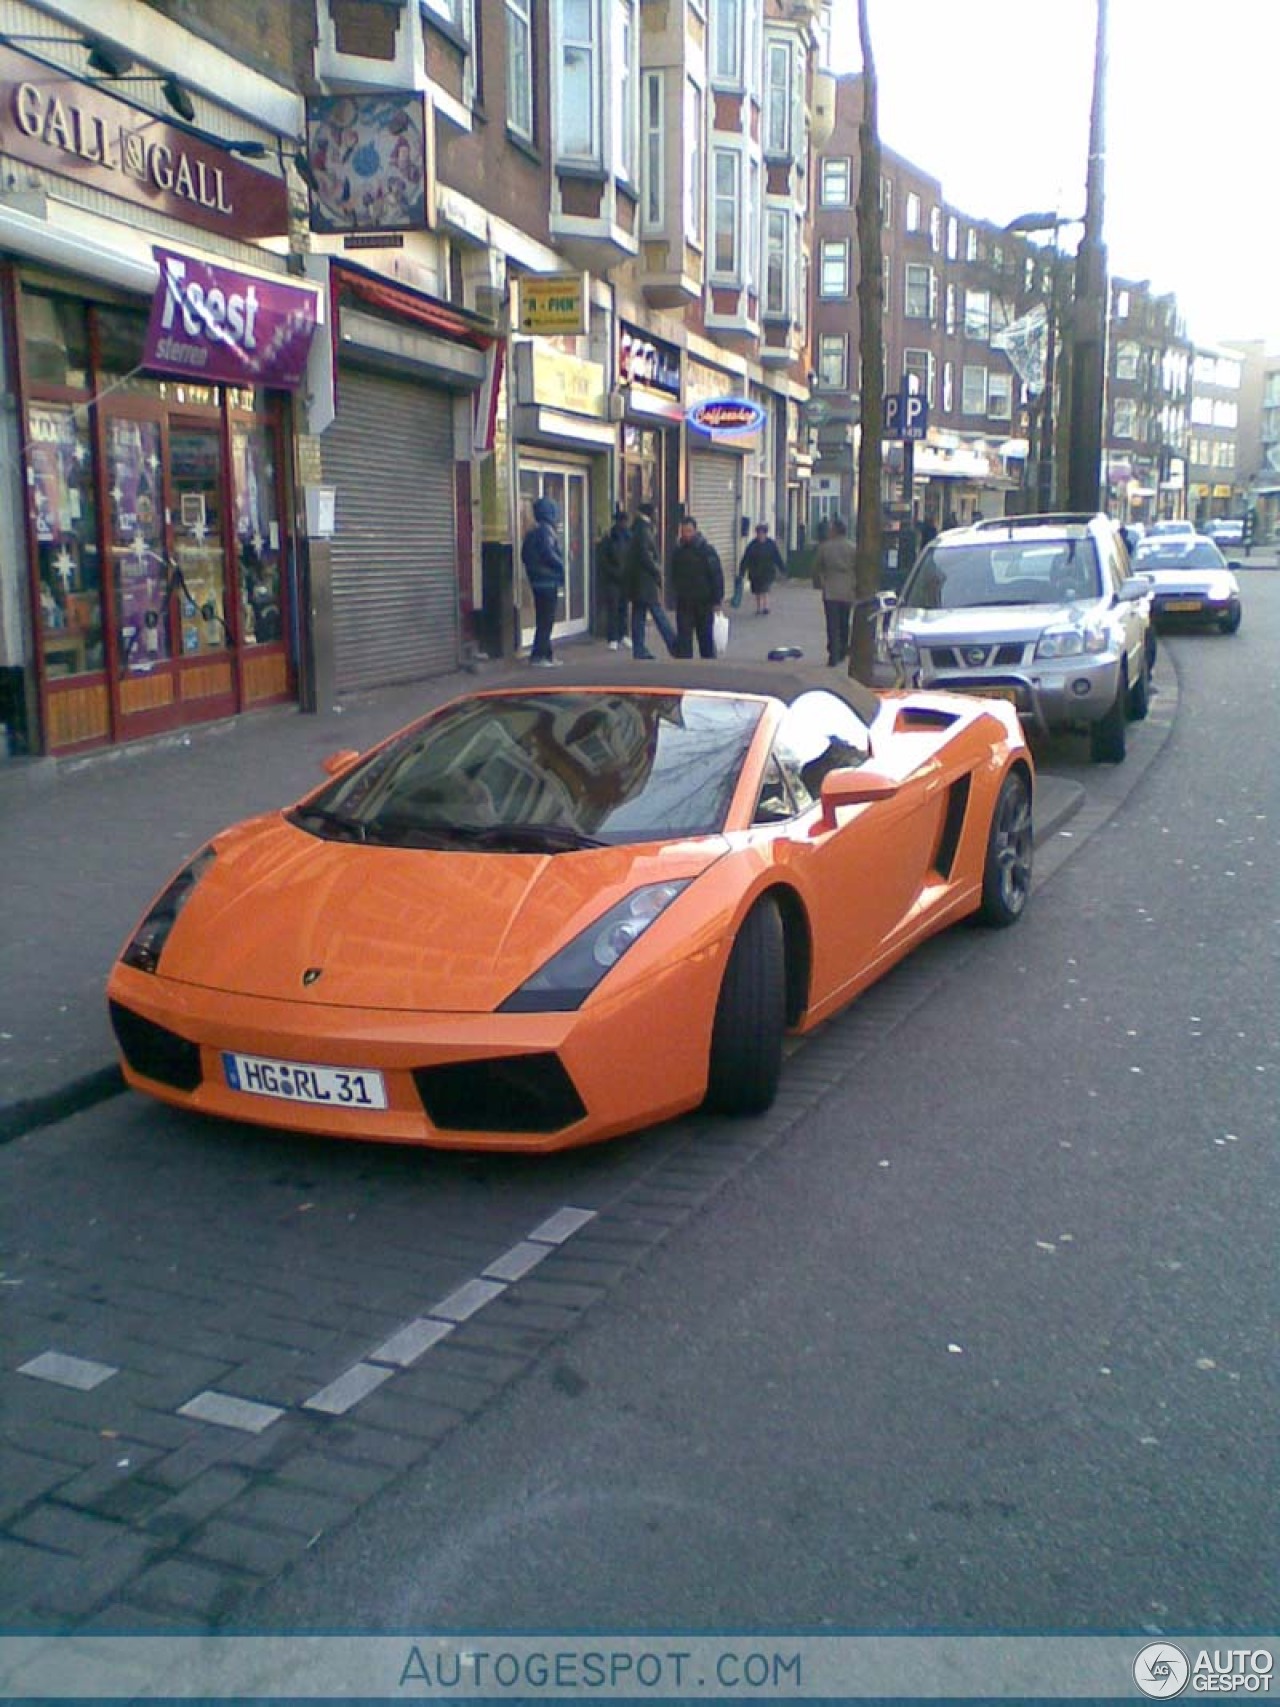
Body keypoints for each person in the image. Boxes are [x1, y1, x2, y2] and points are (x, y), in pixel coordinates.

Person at [623, 502, 676, 658]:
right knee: (657, 612)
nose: (658, 516)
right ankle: (673, 643)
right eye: (656, 512)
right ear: (650, 513)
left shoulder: (637, 528)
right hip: (645, 582)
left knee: (639, 615)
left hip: (638, 582)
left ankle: (639, 649)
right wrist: (657, 571)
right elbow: (646, 555)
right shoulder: (643, 530)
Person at [669, 514, 725, 658]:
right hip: (684, 602)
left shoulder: (706, 551)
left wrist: (717, 600)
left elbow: (716, 575)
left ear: (695, 531)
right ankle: (685, 666)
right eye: (683, 531)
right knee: (684, 638)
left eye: (688, 531)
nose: (686, 535)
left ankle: (707, 666)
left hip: (703, 602)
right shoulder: (678, 552)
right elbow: (673, 574)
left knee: (705, 637)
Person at [520, 495, 565, 666]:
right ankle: (539, 656)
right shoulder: (546, 531)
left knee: (544, 619)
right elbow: (548, 553)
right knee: (546, 620)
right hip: (548, 581)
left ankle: (546, 654)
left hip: (538, 581)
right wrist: (561, 565)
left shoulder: (532, 532)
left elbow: (525, 556)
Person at [812, 513, 857, 667]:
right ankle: (843, 648)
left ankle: (833, 653)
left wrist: (819, 583)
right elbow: (859, 567)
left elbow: (817, 567)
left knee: (832, 623)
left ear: (834, 531)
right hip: (847, 590)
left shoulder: (825, 548)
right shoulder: (852, 548)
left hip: (830, 590)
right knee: (844, 622)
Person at [596, 506, 631, 649]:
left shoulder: (629, 537)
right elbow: (603, 560)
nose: (623, 524)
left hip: (624, 578)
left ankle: (622, 635)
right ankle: (613, 637)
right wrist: (613, 572)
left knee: (622, 608)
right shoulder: (610, 538)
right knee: (614, 608)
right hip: (613, 579)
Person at [738, 522, 784, 616]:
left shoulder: (771, 544)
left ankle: (766, 607)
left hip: (767, 571)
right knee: (757, 590)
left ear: (765, 534)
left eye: (762, 533)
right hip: (755, 571)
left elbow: (777, 557)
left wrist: (782, 568)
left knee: (765, 588)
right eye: (759, 533)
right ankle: (759, 607)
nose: (760, 535)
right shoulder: (752, 545)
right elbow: (746, 558)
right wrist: (742, 571)